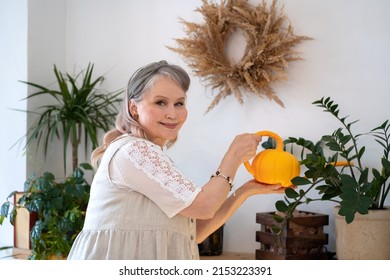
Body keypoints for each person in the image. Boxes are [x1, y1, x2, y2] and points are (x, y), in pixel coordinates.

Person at [67, 60, 283, 260]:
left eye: (179, 103)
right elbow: (204, 206)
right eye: (160, 102)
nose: (172, 114)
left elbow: (194, 232)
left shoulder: (150, 156)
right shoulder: (135, 151)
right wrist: (233, 157)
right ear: (134, 108)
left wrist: (246, 190)